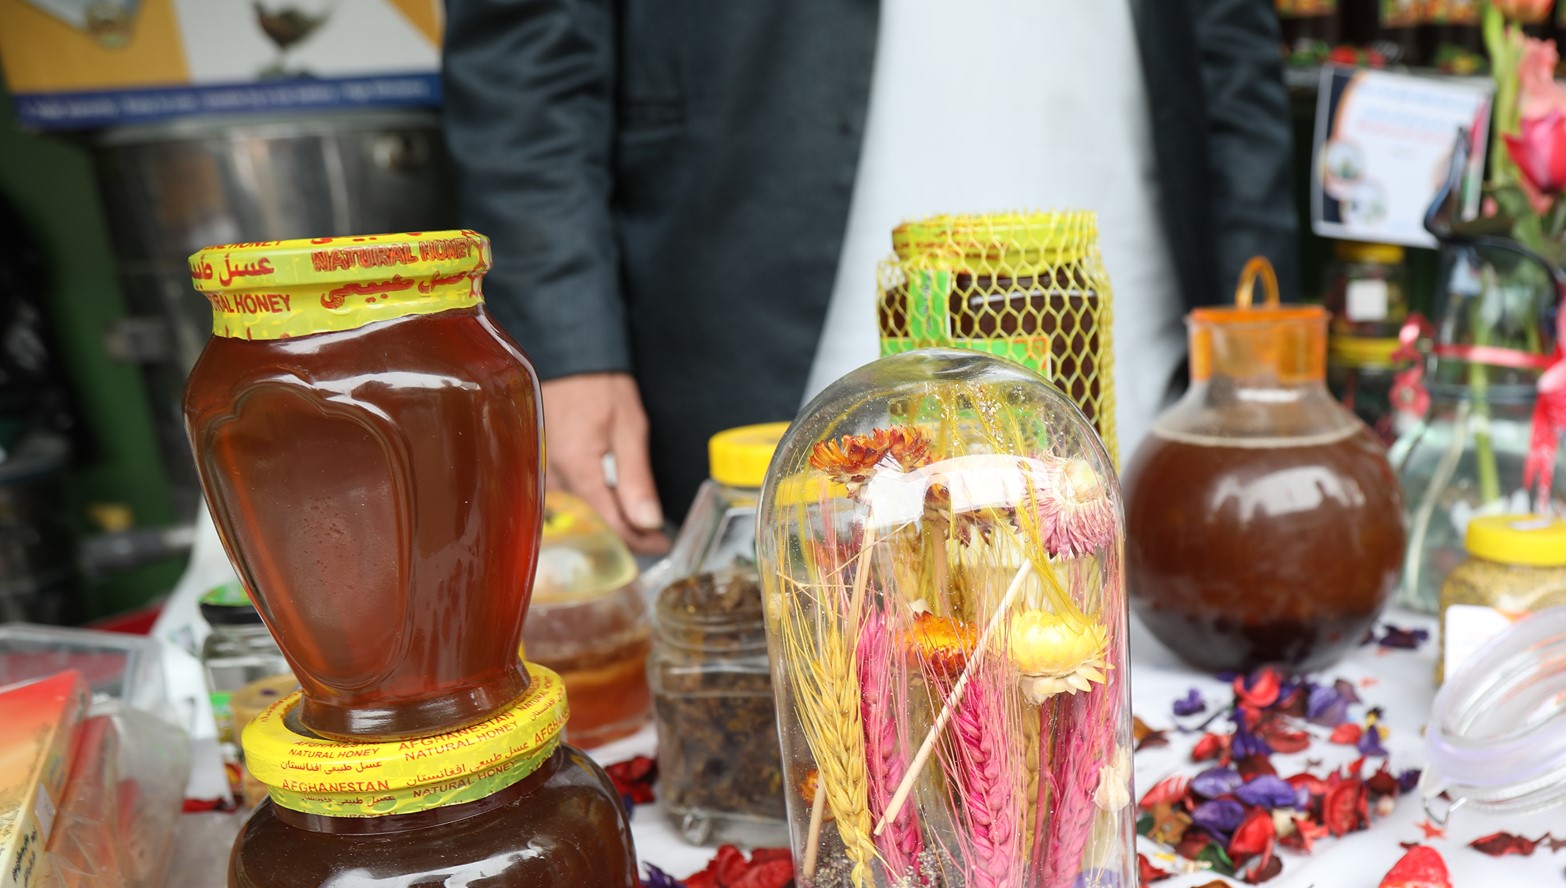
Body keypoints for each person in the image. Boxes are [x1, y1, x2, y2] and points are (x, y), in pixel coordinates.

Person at [442, 1, 1297, 550]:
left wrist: (1266, 351)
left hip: (1131, 334)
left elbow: (1231, 42)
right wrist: (566, 337)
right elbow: (530, 37)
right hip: (751, 311)